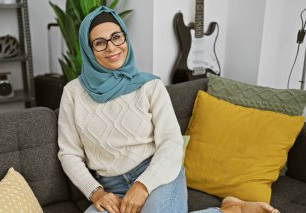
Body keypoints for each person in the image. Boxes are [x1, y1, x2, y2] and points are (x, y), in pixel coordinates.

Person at [57, 6, 280, 213]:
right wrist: (96, 192)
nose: (112, 47)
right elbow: (69, 153)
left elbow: (171, 144)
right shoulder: (73, 93)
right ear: (88, 49)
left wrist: (143, 185)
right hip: (110, 187)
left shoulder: (150, 85)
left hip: (158, 174)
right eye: (100, 42)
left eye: (116, 37)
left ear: (125, 37)